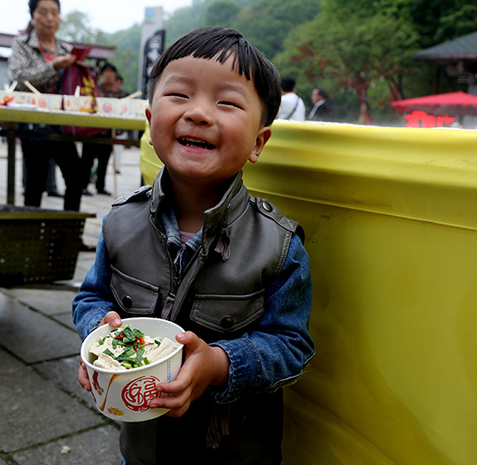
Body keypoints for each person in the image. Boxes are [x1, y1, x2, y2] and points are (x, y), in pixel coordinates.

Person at [73, 27, 315, 465]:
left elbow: (291, 345)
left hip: (235, 451)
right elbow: (92, 295)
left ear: (259, 142)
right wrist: (97, 334)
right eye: (180, 95)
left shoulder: (279, 246)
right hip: (142, 447)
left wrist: (221, 363)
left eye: (226, 103)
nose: (199, 113)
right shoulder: (120, 222)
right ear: (149, 122)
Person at [8, 0, 84, 212]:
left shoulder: (67, 49)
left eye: (54, 12)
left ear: (59, 17)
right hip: (34, 122)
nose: (49, 18)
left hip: (62, 123)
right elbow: (19, 77)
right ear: (33, 16)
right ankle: (31, 237)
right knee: (35, 184)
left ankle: (69, 234)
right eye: (43, 12)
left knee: (76, 178)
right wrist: (53, 66)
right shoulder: (22, 44)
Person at [80, 62, 126, 196]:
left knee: (104, 161)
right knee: (87, 159)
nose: (109, 74)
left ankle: (100, 186)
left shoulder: (120, 92)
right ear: (101, 74)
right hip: (93, 130)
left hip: (109, 131)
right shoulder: (95, 89)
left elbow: (123, 108)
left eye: (111, 72)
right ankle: (83, 186)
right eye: (106, 72)